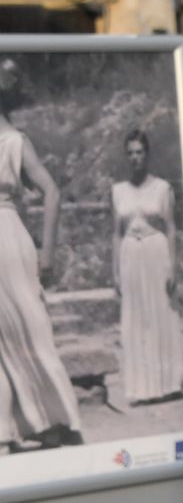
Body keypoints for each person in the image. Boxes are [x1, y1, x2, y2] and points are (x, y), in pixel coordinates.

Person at [0, 59, 84, 452]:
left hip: (10, 240)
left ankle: (59, 418)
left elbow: (51, 191)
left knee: (34, 329)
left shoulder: (15, 141)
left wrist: (47, 250)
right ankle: (12, 428)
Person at [111, 130, 183, 405]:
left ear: (147, 154)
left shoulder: (162, 188)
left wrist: (173, 268)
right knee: (136, 318)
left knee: (160, 315)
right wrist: (115, 271)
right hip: (130, 255)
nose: (135, 158)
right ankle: (141, 388)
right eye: (130, 153)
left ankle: (167, 383)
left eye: (139, 152)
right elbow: (117, 233)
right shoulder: (118, 191)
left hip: (156, 255)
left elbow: (170, 228)